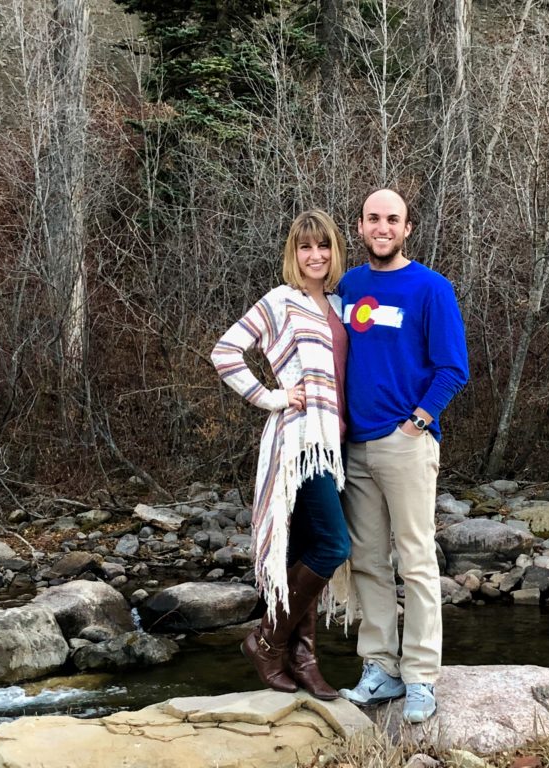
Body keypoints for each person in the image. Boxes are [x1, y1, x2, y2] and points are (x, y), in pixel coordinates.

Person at [337, 189, 469, 723]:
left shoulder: (431, 288)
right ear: (361, 225)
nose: (382, 226)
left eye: (393, 219)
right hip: (354, 447)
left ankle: (419, 678)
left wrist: (418, 421)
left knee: (415, 562)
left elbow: (452, 367)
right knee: (367, 561)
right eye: (373, 218)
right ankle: (379, 668)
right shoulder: (350, 286)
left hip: (405, 442)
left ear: (407, 228)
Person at [210, 209, 351, 700]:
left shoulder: (341, 303)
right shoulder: (281, 302)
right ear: (294, 254)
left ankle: (303, 658)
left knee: (304, 551)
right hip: (300, 443)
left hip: (336, 445)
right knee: (334, 546)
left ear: (335, 251)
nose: (316, 255)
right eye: (305, 247)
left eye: (324, 246)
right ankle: (267, 641)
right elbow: (225, 352)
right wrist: (271, 396)